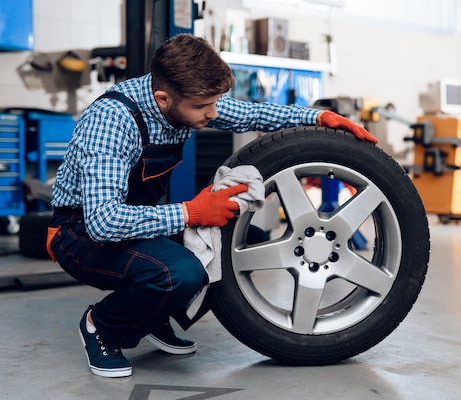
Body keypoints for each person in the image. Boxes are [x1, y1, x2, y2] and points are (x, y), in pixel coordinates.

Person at [46, 33, 377, 378]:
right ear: (163, 99)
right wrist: (191, 212)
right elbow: (104, 221)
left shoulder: (186, 99)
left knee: (235, 241)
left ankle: (151, 317)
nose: (213, 114)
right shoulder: (112, 121)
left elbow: (251, 113)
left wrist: (319, 117)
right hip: (80, 234)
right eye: (204, 107)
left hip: (132, 224)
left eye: (215, 102)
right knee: (180, 273)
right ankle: (100, 327)